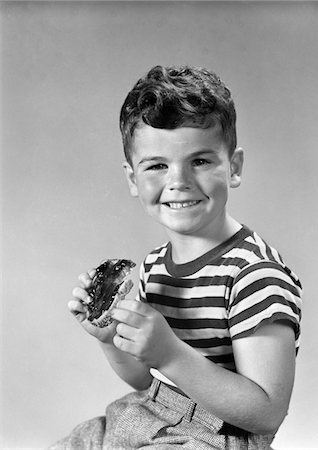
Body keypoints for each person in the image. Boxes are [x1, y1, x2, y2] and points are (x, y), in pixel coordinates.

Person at [50, 65, 302, 449]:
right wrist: (109, 340)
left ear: (233, 167)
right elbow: (147, 382)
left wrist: (170, 353)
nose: (179, 181)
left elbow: (266, 413)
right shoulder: (154, 265)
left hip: (220, 436)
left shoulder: (255, 275)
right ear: (133, 179)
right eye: (157, 166)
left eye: (200, 161)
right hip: (149, 412)